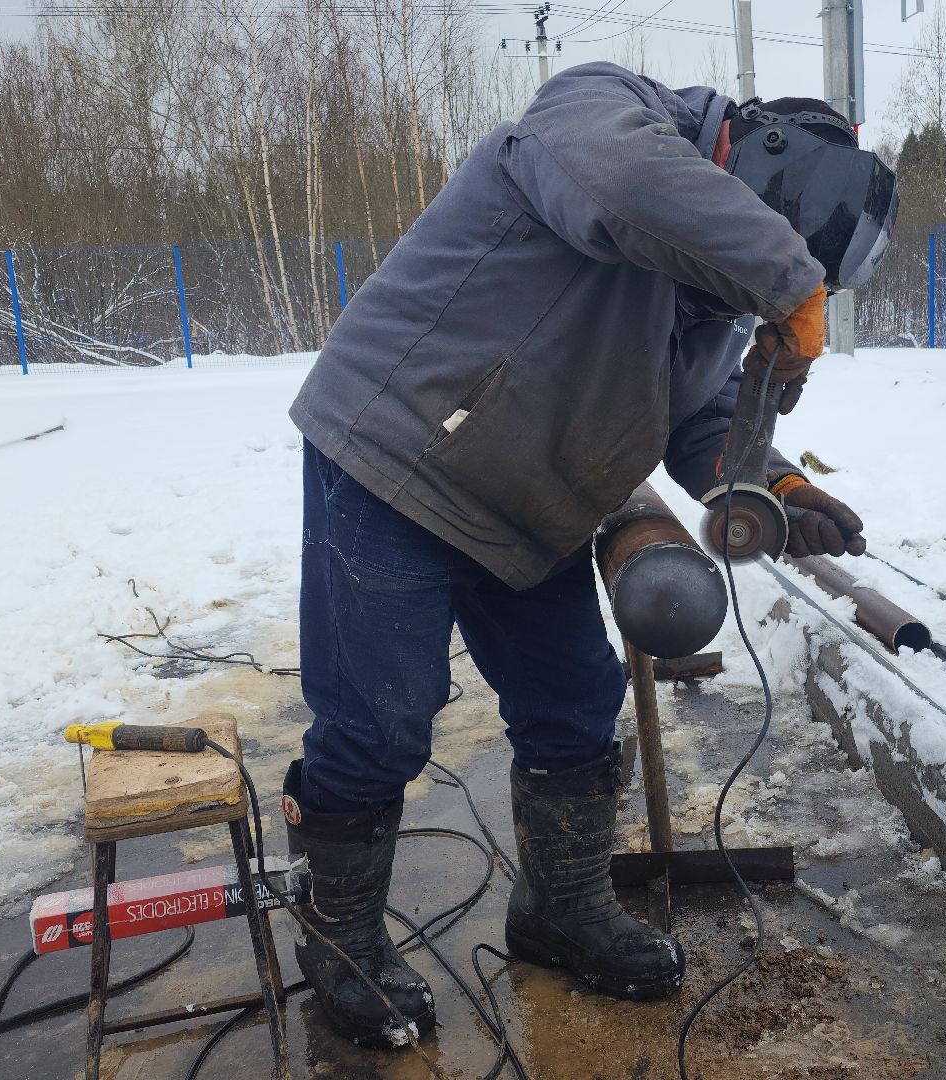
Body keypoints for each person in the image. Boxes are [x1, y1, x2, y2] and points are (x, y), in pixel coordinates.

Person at [281, 61, 898, 1047]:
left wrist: (772, 483)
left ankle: (558, 910)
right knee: (380, 722)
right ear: (764, 175)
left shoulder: (713, 280)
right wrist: (787, 278)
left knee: (573, 705)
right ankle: (342, 937)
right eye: (787, 258)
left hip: (530, 496)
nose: (785, 286)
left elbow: (688, 412)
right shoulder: (602, 114)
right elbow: (616, 182)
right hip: (398, 458)